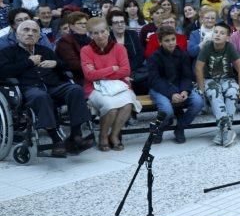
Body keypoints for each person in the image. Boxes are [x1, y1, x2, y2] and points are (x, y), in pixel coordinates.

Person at [0, 19, 94, 156]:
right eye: (26, 30)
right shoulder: (8, 52)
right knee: (41, 96)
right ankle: (56, 140)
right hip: (28, 89)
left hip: (53, 86)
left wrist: (55, 63)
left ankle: (75, 135)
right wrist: (28, 62)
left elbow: (66, 68)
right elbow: (3, 72)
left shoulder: (45, 50)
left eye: (34, 31)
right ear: (17, 34)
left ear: (39, 36)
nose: (30, 33)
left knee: (76, 90)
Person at [80, 17, 140, 151]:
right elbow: (89, 75)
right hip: (95, 87)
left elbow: (126, 70)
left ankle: (113, 135)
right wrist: (112, 68)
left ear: (108, 31)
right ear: (90, 34)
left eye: (102, 31)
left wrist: (100, 73)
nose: (100, 36)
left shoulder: (119, 48)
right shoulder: (86, 50)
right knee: (110, 107)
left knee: (127, 104)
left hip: (119, 85)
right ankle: (102, 136)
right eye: (95, 33)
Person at [147, 25, 205, 143]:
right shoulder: (154, 57)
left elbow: (187, 76)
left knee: (198, 102)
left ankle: (180, 127)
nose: (171, 43)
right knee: (167, 111)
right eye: (167, 40)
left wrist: (185, 90)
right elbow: (155, 80)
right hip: (160, 89)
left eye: (173, 39)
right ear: (160, 42)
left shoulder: (182, 54)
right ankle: (159, 128)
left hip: (179, 87)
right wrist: (171, 93)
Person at [195, 22, 240, 147]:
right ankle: (227, 130)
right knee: (214, 93)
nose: (218, 35)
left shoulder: (229, 47)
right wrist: (201, 89)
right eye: (215, 32)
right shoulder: (207, 47)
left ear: (228, 37)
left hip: (227, 79)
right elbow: (198, 67)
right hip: (210, 79)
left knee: (233, 92)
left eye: (222, 33)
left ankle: (223, 130)